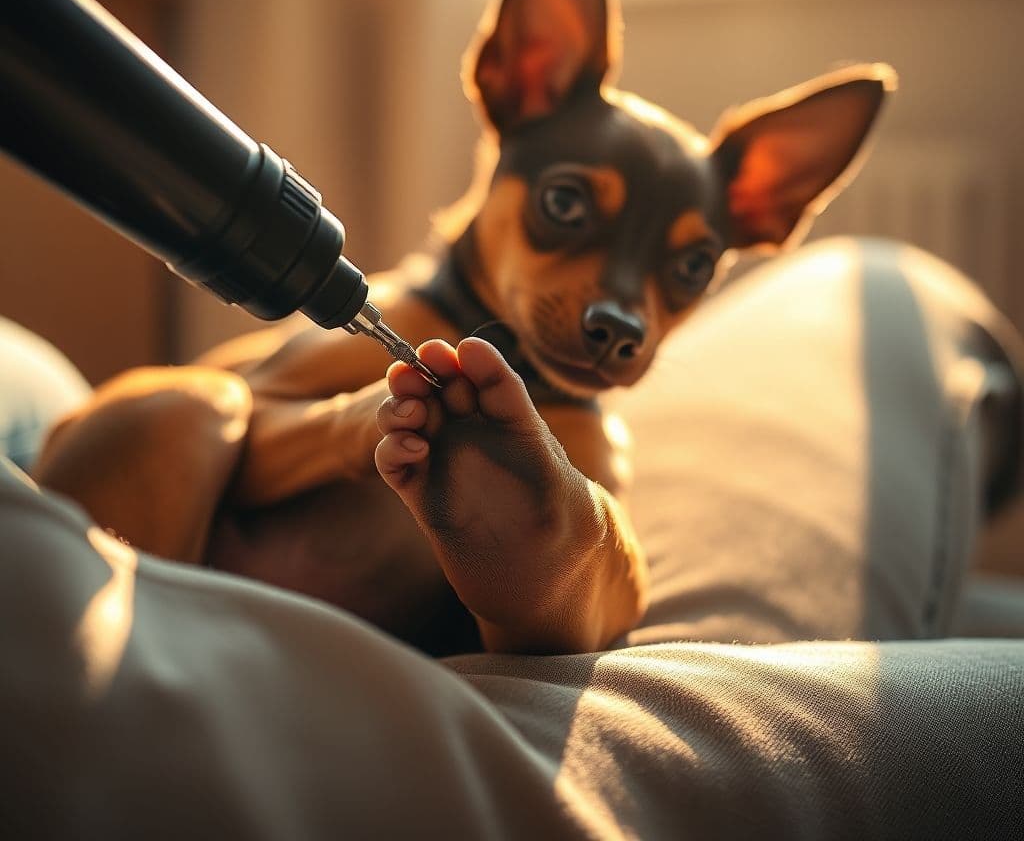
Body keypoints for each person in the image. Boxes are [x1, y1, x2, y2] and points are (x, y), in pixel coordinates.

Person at [2, 236, 1023, 838]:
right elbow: (216, 409)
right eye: (566, 209)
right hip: (165, 527)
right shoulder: (396, 316)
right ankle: (567, 554)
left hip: (117, 526)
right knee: (873, 277)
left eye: (684, 264)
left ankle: (555, 557)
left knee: (70, 384)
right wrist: (344, 428)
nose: (616, 306)